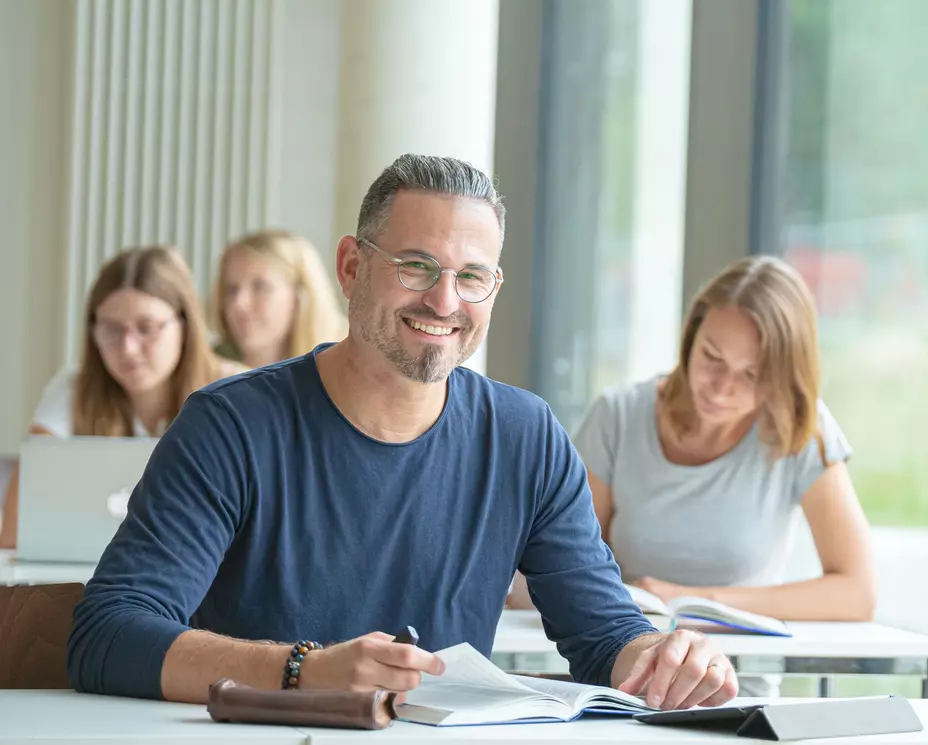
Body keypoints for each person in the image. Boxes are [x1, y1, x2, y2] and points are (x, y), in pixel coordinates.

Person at [66, 154, 737, 712]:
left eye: (471, 277)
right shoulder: (232, 425)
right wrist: (305, 670)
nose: (444, 302)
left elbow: (603, 634)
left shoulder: (526, 436)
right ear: (353, 267)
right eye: (416, 266)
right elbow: (107, 635)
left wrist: (664, 656)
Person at [509, 256, 875, 692]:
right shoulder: (620, 417)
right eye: (711, 358)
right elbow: (550, 568)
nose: (721, 388)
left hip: (732, 692)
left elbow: (856, 591)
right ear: (690, 339)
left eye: (751, 375)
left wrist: (699, 604)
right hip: (618, 682)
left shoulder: (801, 429)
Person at [0, 245, 244, 549]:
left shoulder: (236, 389)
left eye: (146, 328)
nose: (128, 348)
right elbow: (14, 529)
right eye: (112, 329)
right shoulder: (73, 388)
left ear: (184, 325)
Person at [210, 228, 347, 370]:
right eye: (231, 289)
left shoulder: (343, 371)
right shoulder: (208, 371)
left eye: (260, 287)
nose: (238, 304)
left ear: (299, 295)